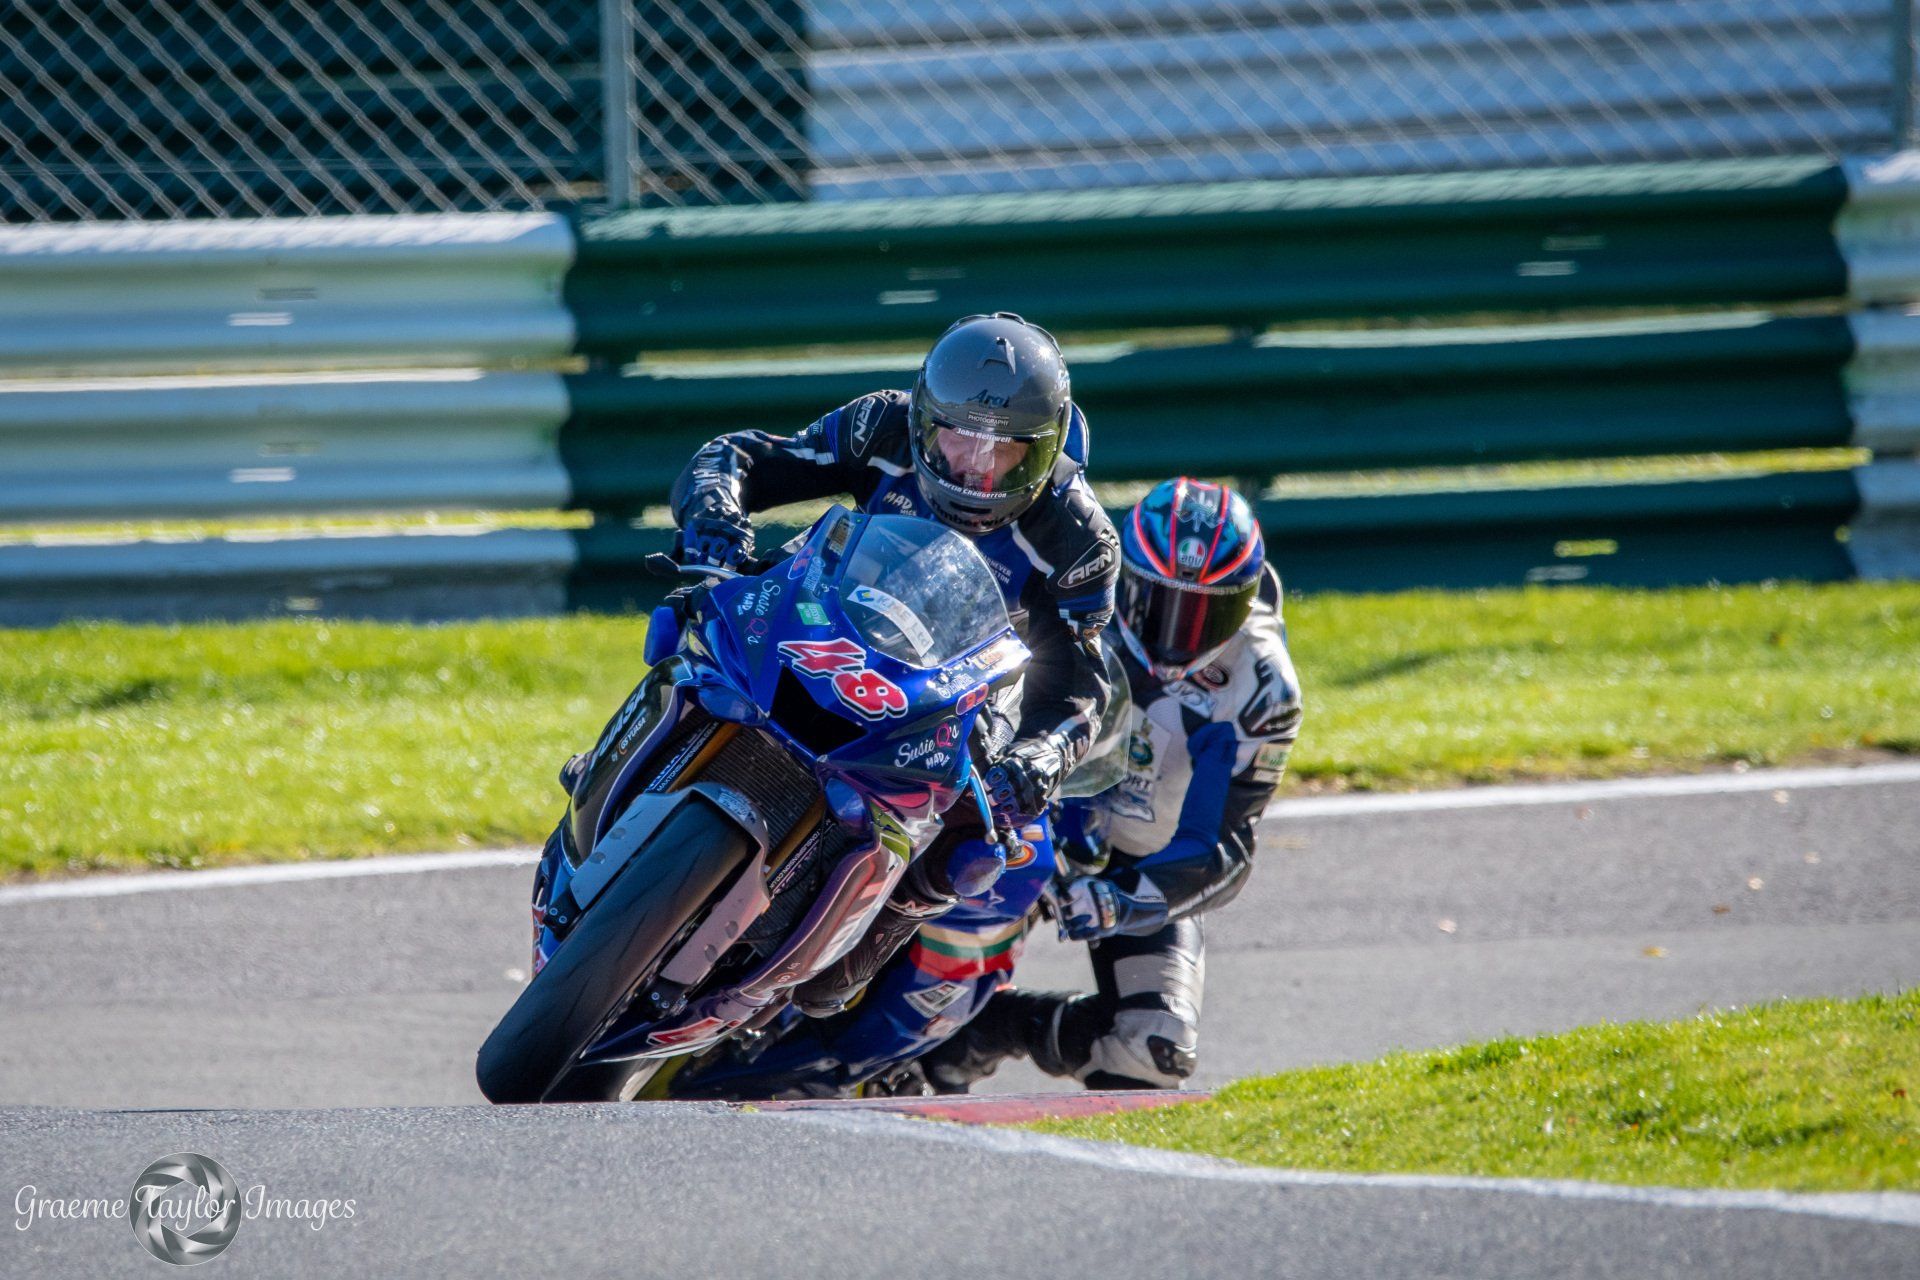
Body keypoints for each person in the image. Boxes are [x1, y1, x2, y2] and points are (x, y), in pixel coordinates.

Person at [670, 312, 1120, 1016]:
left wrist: (1042, 756)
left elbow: (1080, 687)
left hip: (949, 695)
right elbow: (741, 457)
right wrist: (715, 516)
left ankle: (875, 928)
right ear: (924, 419)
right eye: (958, 436)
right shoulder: (879, 426)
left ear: (1045, 448)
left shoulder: (1080, 538)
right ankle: (625, 758)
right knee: (694, 615)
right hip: (825, 619)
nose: (974, 466)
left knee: (979, 840)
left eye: (1003, 449)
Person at [920, 477, 1302, 1090]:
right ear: (1128, 578)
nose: (1177, 634)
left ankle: (981, 1033)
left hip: (1142, 860)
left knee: (1154, 1050)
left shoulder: (1261, 688)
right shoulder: (1075, 599)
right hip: (1026, 811)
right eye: (1160, 603)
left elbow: (1223, 850)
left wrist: (1120, 898)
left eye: (1207, 612)